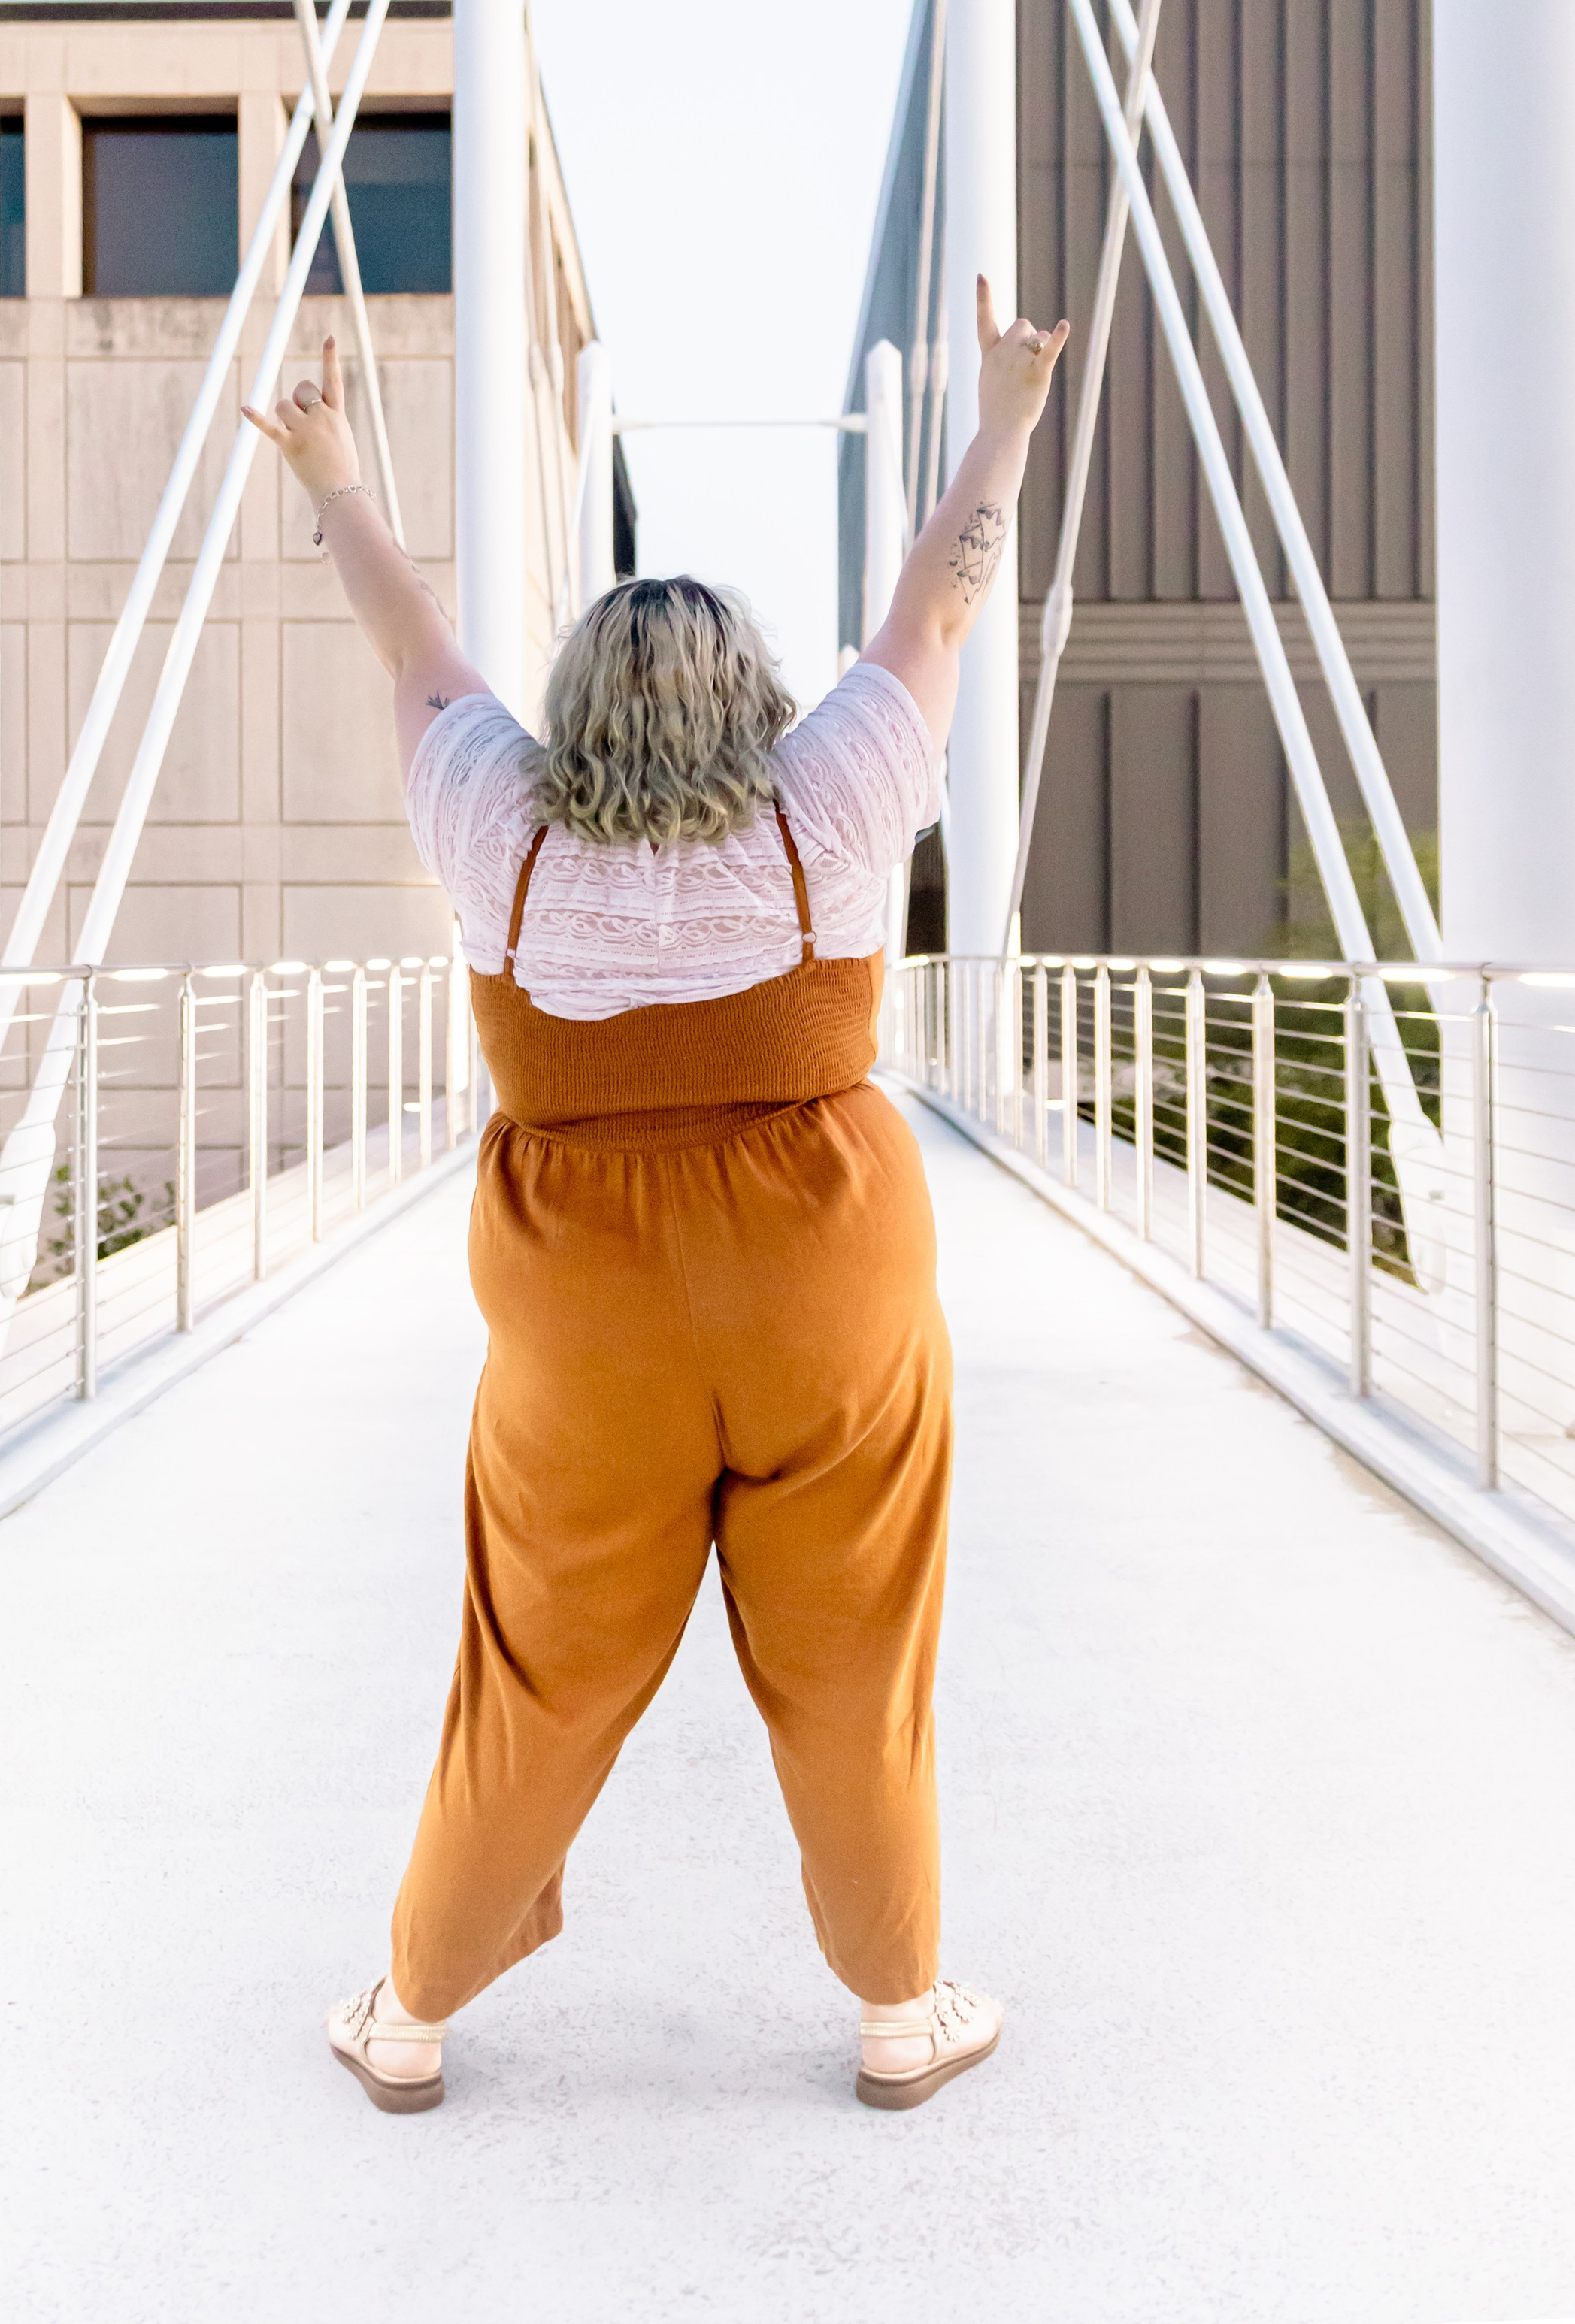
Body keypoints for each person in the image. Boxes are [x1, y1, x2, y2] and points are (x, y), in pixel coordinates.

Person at [244, 280, 1068, 2115]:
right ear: (752, 698)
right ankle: (895, 2005)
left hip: (585, 1298)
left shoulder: (497, 824)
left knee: (534, 1658)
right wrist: (1003, 415)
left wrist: (326, 471)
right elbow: (940, 595)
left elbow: (414, 648)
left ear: (572, 711)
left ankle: (409, 2006)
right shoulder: (832, 795)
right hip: (823, 1275)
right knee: (857, 1642)